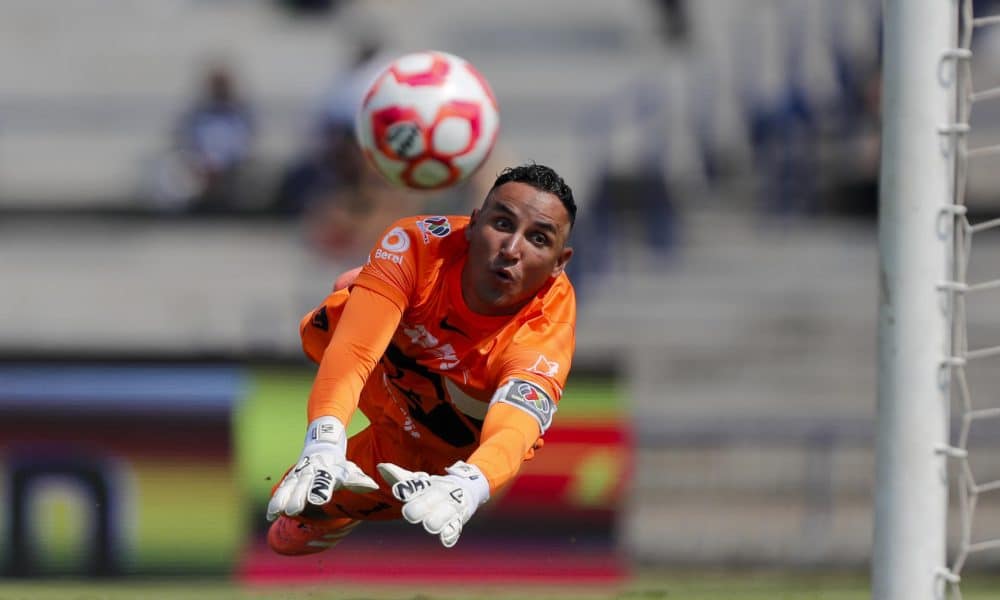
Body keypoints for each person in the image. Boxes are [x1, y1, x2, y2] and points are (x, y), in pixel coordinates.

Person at [266, 163, 577, 551]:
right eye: (502, 224)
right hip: (389, 377)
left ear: (559, 262)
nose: (512, 249)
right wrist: (323, 441)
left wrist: (470, 483)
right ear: (475, 223)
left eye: (538, 238)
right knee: (340, 304)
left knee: (287, 529)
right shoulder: (416, 244)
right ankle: (372, 290)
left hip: (439, 449)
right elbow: (355, 350)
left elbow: (514, 430)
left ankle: (338, 515)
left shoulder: (545, 331)